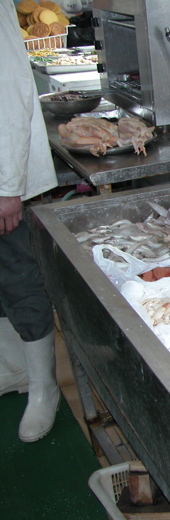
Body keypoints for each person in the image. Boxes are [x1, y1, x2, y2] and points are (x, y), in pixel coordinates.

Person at [1, 0, 60, 442]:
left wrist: (7, 186)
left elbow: (10, 93)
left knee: (19, 276)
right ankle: (13, 369)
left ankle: (44, 389)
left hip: (4, 181)